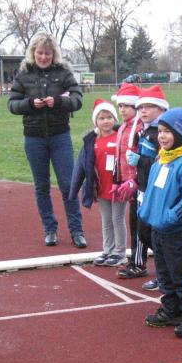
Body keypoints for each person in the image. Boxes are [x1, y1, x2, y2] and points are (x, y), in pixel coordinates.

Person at [8, 33, 86, 248]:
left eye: (48, 53)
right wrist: (30, 104)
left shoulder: (64, 72)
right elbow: (12, 104)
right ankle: (50, 229)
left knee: (68, 184)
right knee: (41, 186)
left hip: (60, 136)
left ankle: (77, 230)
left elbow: (77, 99)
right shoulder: (23, 74)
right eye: (40, 53)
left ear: (54, 54)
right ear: (33, 53)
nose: (43, 57)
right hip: (34, 138)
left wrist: (59, 102)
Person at [138, 107, 182, 338]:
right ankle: (172, 309)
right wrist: (146, 214)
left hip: (179, 231)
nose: (162, 136)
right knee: (165, 273)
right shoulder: (161, 160)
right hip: (159, 229)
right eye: (160, 131)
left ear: (180, 133)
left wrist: (171, 217)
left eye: (167, 131)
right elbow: (152, 192)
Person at [117, 85, 169, 290]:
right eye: (141, 107)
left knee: (155, 233)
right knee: (139, 228)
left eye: (149, 106)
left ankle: (165, 273)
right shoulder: (144, 132)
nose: (143, 111)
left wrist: (140, 161)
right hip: (142, 188)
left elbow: (161, 164)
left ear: (161, 109)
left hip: (155, 191)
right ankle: (138, 263)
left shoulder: (162, 134)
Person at [69, 99, 127, 267]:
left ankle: (120, 252)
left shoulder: (121, 136)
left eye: (109, 117)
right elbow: (81, 165)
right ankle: (108, 250)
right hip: (101, 187)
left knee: (117, 218)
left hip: (118, 187)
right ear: (96, 121)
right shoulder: (91, 140)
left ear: (115, 119)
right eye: (101, 118)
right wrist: (74, 189)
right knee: (106, 220)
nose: (106, 121)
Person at [110, 83, 144, 275]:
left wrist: (134, 180)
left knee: (143, 226)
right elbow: (118, 157)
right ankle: (136, 261)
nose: (122, 110)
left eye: (126, 106)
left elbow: (142, 159)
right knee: (135, 224)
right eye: (120, 106)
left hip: (140, 186)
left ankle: (140, 262)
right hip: (128, 185)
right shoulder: (123, 127)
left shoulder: (139, 129)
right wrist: (117, 181)